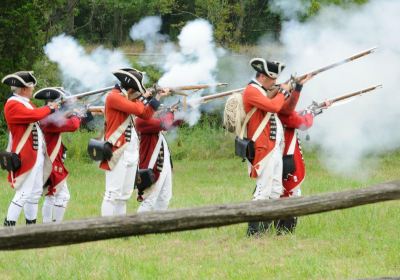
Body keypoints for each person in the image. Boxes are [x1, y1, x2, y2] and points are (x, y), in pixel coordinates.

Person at [99, 68, 170, 217]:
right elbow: (139, 109)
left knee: (124, 196)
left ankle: (120, 227)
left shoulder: (126, 98)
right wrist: (144, 98)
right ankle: (105, 228)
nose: (137, 94)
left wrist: (156, 97)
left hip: (131, 150)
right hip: (118, 150)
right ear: (130, 89)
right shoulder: (113, 97)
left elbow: (145, 113)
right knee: (112, 194)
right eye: (136, 91)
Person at [242, 58, 292, 236]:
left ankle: (264, 229)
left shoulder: (262, 90)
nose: (275, 83)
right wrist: (283, 92)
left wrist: (290, 89)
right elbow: (273, 107)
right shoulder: (251, 91)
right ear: (263, 76)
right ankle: (253, 232)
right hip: (263, 148)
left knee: (276, 190)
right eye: (272, 79)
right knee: (263, 190)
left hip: (273, 146)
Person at [1, 71, 59, 226]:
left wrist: (57, 107)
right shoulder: (13, 104)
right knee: (23, 193)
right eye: (31, 87)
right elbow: (34, 115)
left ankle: (30, 228)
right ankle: (8, 227)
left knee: (34, 194)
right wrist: (49, 108)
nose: (33, 89)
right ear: (24, 88)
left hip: (36, 155)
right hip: (24, 155)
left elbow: (38, 115)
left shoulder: (25, 102)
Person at [276, 82, 331, 234]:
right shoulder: (283, 111)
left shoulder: (276, 108)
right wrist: (311, 113)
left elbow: (293, 115)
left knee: (276, 191)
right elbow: (302, 123)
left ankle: (277, 228)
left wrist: (314, 109)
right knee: (290, 192)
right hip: (285, 155)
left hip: (277, 155)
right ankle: (285, 231)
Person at [37, 87, 92, 223]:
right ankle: (54, 228)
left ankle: (48, 227)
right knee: (62, 195)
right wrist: (76, 114)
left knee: (52, 195)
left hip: (51, 158)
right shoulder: (49, 119)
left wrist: (81, 112)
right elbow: (73, 125)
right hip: (50, 160)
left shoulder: (49, 115)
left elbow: (79, 122)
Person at [135, 106, 182, 212]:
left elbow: (171, 125)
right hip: (152, 166)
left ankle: (158, 226)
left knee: (165, 198)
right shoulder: (141, 120)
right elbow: (164, 124)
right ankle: (138, 227)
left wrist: (182, 114)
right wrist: (169, 112)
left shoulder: (152, 121)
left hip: (163, 164)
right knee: (149, 200)